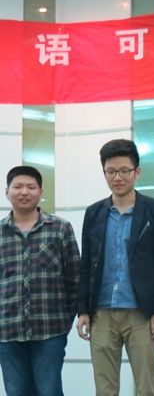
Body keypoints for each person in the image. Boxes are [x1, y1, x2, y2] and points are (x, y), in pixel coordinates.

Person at [76, 139, 154, 396]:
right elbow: (86, 264)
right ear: (104, 173)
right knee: (105, 389)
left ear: (136, 172)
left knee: (148, 387)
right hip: (102, 313)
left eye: (124, 171)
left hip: (142, 313)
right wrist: (83, 310)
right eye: (111, 171)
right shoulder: (94, 213)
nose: (117, 177)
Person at [0, 166, 80, 396]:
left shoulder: (60, 228)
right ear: (7, 191)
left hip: (50, 330)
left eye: (31, 187)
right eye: (18, 186)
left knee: (49, 391)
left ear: (40, 191)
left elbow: (75, 278)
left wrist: (64, 323)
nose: (24, 192)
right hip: (7, 331)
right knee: (17, 392)